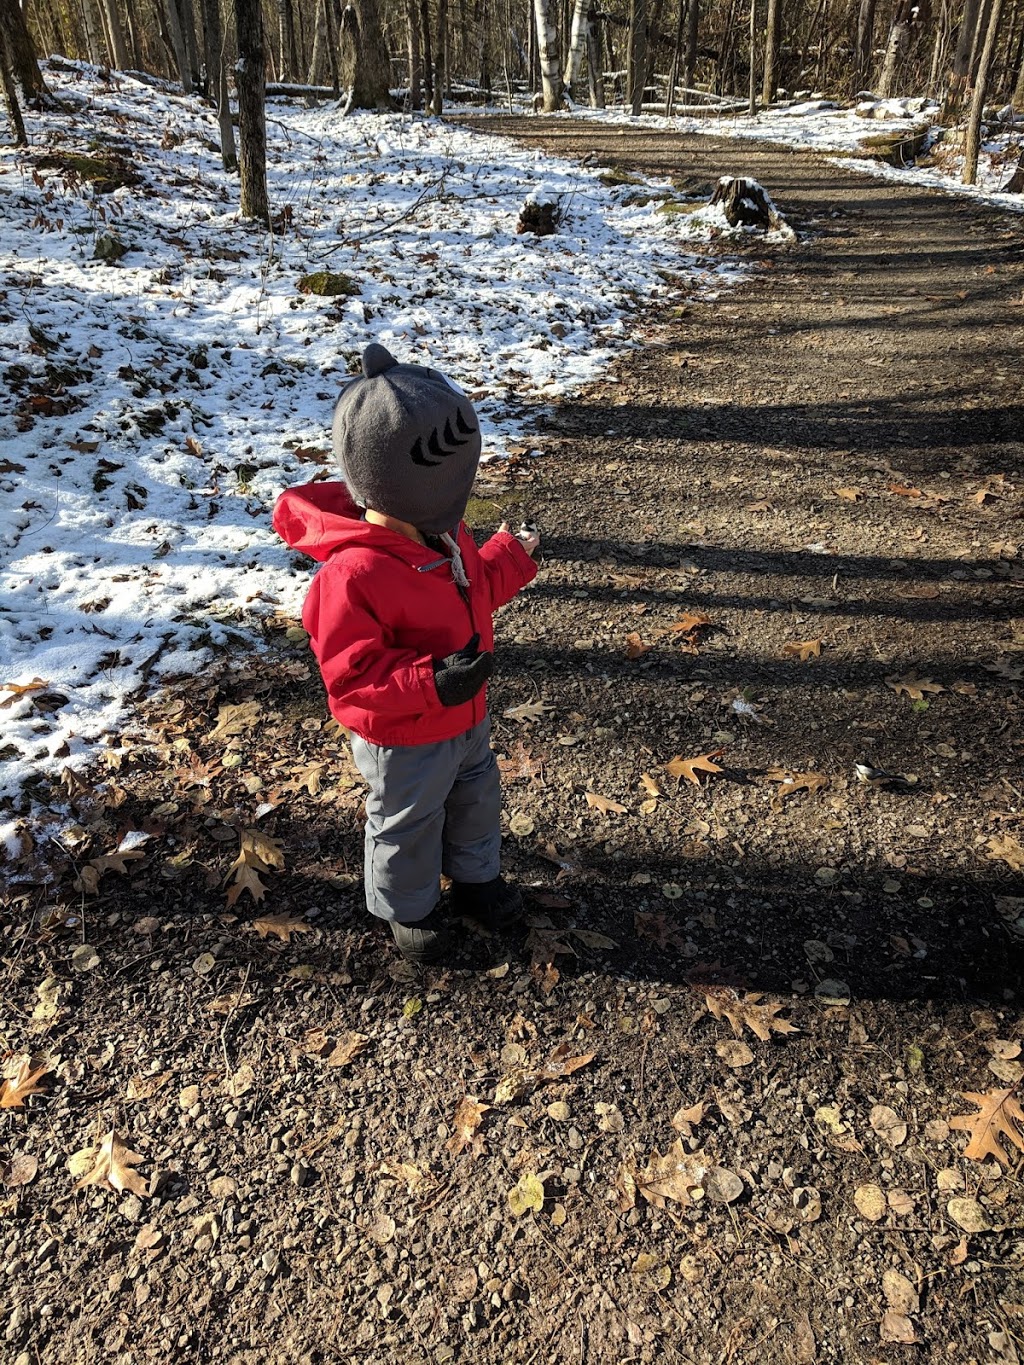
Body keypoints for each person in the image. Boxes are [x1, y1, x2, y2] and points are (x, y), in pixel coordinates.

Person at [272, 343, 540, 963]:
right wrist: (430, 683)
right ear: (400, 480)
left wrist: (511, 557)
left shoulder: (442, 533)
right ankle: (407, 909)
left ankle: (478, 880)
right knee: (406, 820)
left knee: (476, 796)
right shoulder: (354, 573)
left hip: (466, 715)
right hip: (404, 732)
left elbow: (474, 589)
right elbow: (352, 677)